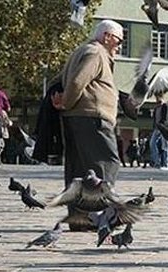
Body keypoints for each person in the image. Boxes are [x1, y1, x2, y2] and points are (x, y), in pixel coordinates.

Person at [52, 19, 123, 189]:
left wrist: (61, 100)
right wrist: (66, 103)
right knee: (106, 163)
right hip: (92, 118)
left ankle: (79, 212)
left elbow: (59, 80)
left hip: (77, 118)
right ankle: (98, 209)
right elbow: (77, 82)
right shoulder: (96, 53)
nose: (119, 46)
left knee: (79, 170)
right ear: (107, 37)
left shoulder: (80, 51)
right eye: (118, 40)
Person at [150, 92, 168, 169]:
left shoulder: (166, 106)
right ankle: (157, 162)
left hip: (163, 128)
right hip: (156, 128)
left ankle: (166, 164)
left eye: (157, 97)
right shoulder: (156, 108)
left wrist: (163, 127)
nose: (156, 99)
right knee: (152, 143)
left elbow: (166, 119)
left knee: (165, 145)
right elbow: (155, 119)